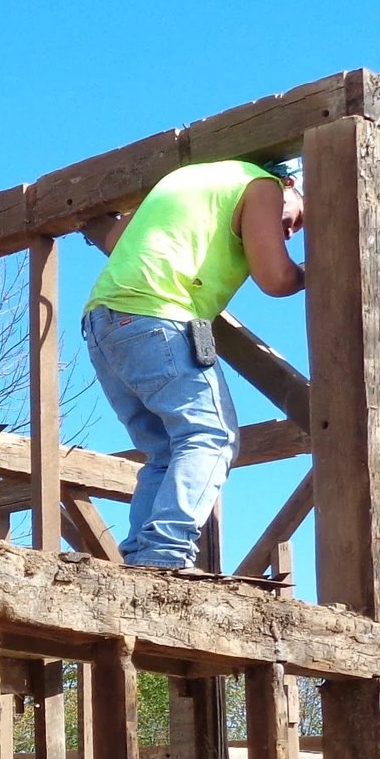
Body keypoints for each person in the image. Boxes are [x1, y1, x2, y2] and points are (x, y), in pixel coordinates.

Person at [79, 159, 305, 569]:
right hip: (158, 316)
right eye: (294, 219)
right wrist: (313, 269)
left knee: (165, 449)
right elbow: (276, 278)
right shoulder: (263, 186)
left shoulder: (181, 179)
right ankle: (165, 553)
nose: (287, 231)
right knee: (210, 435)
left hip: (104, 322)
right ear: (289, 183)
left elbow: (114, 238)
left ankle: (142, 559)